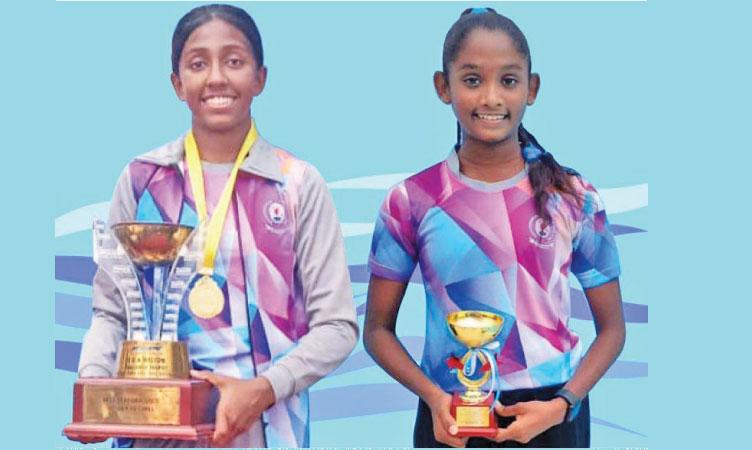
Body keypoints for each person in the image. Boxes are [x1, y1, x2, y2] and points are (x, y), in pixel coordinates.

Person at [77, 4, 358, 448]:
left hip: (264, 429)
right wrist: (94, 388)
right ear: (177, 83)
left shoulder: (298, 184)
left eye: (234, 61)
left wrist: (263, 389)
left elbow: (337, 327)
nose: (216, 78)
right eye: (197, 64)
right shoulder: (142, 180)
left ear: (260, 78)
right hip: (154, 432)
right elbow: (112, 309)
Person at [363, 7, 625, 448]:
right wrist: (433, 398)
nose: (490, 98)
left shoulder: (573, 197)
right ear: (442, 87)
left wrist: (563, 404)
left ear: (532, 88)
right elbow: (376, 330)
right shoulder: (409, 201)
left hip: (552, 417)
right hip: (449, 417)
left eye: (508, 80)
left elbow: (613, 329)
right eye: (471, 80)